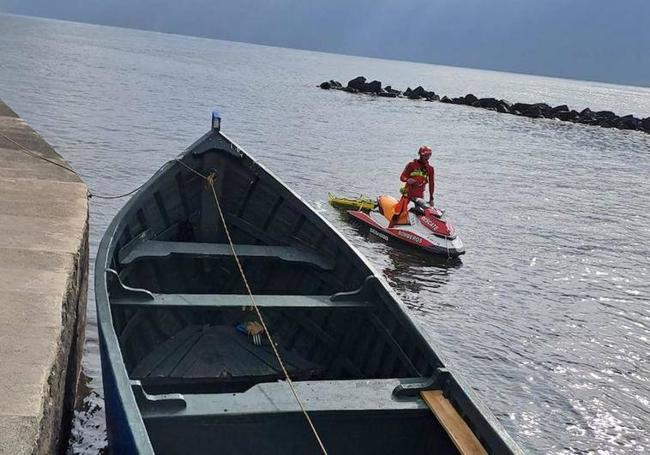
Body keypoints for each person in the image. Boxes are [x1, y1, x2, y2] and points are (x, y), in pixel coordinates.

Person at [389, 146, 435, 227]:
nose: (427, 157)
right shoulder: (411, 165)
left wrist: (431, 199)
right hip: (408, 193)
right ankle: (389, 228)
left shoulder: (430, 169)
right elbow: (402, 177)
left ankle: (417, 232)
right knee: (398, 212)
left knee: (420, 213)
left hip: (419, 195)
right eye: (425, 155)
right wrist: (408, 180)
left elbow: (431, 184)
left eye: (429, 155)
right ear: (420, 155)